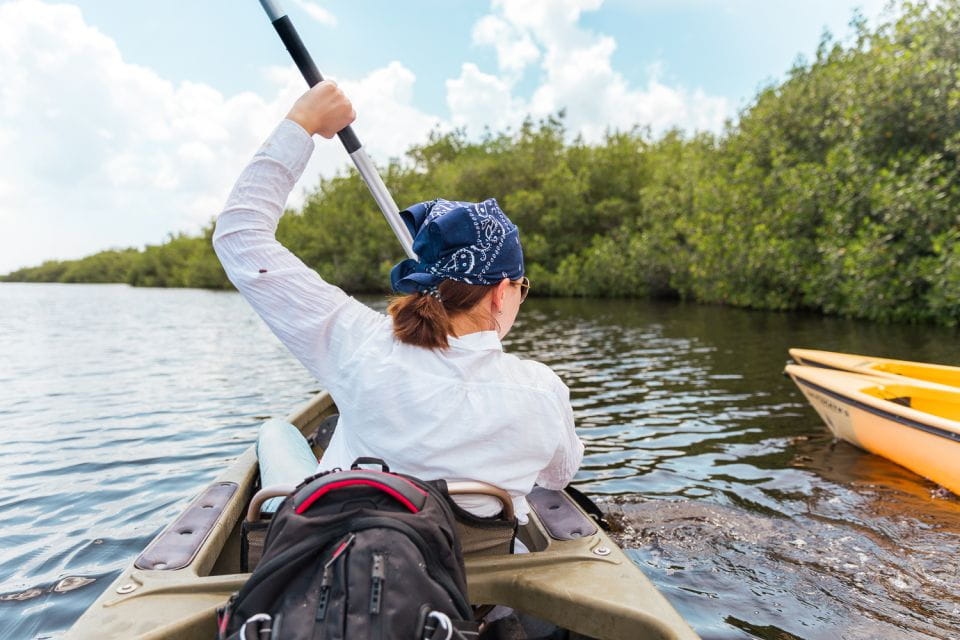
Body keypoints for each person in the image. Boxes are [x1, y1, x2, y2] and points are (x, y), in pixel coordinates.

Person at [213, 81, 583, 526]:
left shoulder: (359, 344)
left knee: (276, 431)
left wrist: (303, 121)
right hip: (470, 574)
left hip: (347, 547)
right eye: (523, 286)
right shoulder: (543, 390)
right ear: (502, 290)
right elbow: (558, 477)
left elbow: (239, 234)